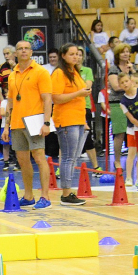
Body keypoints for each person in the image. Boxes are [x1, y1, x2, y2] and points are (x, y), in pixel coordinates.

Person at [1, 40, 53, 209]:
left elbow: (47, 99)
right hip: (16, 122)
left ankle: (45, 196)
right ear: (15, 53)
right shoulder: (12, 74)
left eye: (26, 49)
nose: (23, 51)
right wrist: (6, 126)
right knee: (23, 161)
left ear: (31, 52)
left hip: (35, 122)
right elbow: (10, 102)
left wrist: (46, 122)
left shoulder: (41, 72)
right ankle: (29, 196)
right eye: (20, 49)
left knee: (39, 157)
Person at [51, 43, 92, 206]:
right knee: (68, 157)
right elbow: (56, 98)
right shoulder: (60, 73)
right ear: (63, 55)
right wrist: (79, 93)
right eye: (72, 54)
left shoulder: (74, 72)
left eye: (77, 54)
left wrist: (84, 121)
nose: (76, 56)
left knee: (73, 157)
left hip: (77, 118)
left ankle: (68, 191)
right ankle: (66, 193)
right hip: (66, 120)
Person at [107, 43, 135, 169]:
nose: (125, 54)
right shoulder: (114, 69)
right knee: (120, 133)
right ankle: (117, 160)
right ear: (118, 54)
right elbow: (116, 86)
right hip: (117, 102)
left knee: (135, 131)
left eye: (127, 51)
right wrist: (129, 80)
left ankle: (134, 159)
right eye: (123, 52)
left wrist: (132, 71)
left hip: (132, 101)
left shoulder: (131, 68)